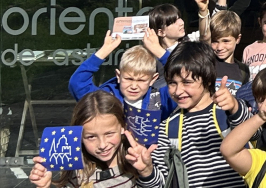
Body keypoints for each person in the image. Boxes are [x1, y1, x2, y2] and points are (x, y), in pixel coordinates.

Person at [126, 41, 251, 188]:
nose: (178, 91)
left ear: (208, 79)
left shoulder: (228, 112)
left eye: (187, 82)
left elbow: (254, 134)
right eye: (172, 83)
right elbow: (160, 183)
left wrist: (235, 107)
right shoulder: (168, 128)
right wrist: (147, 171)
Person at [29, 91, 138, 188]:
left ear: (123, 127)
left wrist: (147, 171)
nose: (102, 145)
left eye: (109, 134)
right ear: (79, 136)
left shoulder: (137, 159)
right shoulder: (77, 171)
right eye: (91, 137)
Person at [69, 31, 174, 121]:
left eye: (141, 80)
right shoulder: (105, 98)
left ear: (153, 79)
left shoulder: (161, 99)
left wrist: (157, 50)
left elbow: (183, 77)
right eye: (128, 79)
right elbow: (77, 83)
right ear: (118, 76)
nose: (134, 86)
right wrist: (104, 50)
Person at [211, 10, 251, 96]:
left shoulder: (244, 71)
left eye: (226, 41)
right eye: (214, 41)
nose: (219, 47)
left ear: (238, 39)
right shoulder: (207, 64)